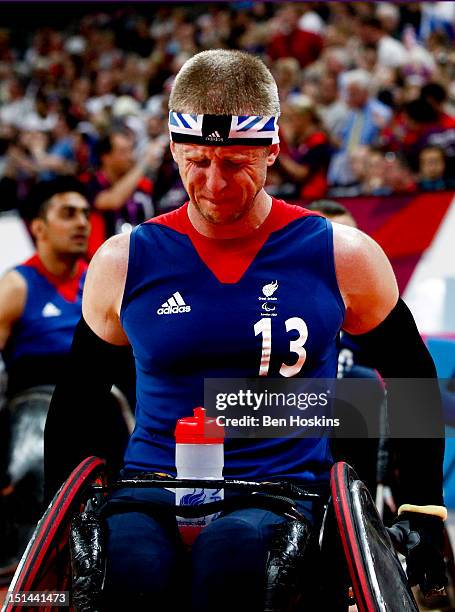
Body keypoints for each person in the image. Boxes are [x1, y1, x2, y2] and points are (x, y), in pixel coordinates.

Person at [44, 51, 447, 610]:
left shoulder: (341, 253)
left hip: (283, 493)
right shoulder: (124, 260)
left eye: (235, 162)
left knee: (230, 560)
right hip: (153, 489)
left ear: (273, 149)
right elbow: (75, 399)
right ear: (173, 148)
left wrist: (422, 507)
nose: (214, 183)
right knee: (130, 573)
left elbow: (411, 371)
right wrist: (57, 515)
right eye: (197, 160)